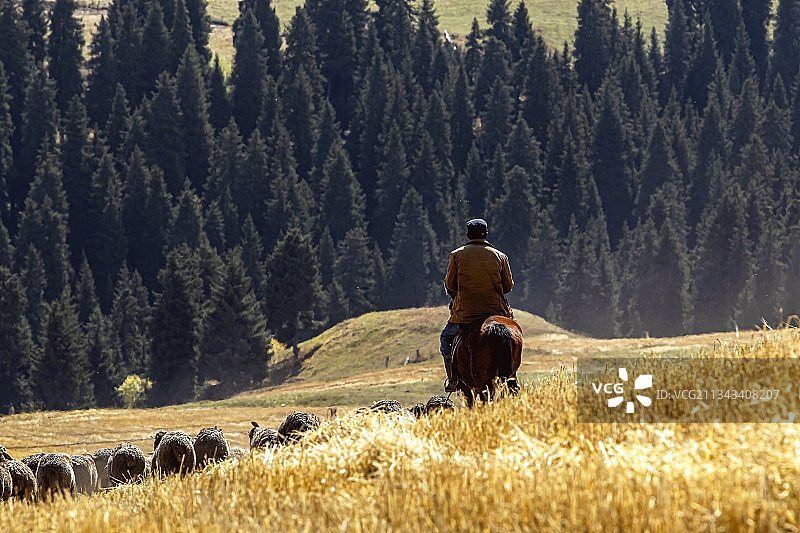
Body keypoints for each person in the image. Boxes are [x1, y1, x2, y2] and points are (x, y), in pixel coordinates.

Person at [440, 218, 514, 392]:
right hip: (496, 310)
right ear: (486, 234)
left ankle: (453, 379)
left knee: (446, 339)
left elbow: (450, 284)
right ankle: (512, 377)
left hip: (465, 314)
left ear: (468, 235)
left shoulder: (457, 255)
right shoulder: (500, 256)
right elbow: (508, 286)